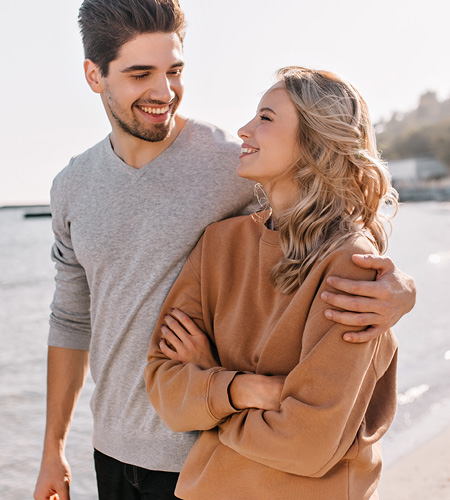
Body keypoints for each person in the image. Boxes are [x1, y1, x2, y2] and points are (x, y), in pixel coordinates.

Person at [33, 0, 415, 499]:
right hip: (113, 447)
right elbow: (71, 318)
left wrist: (400, 290)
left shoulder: (231, 164)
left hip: (214, 457)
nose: (163, 91)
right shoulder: (72, 187)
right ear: (94, 76)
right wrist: (51, 450)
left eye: (174, 70)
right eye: (140, 74)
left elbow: (331, 215)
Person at [145, 66, 402, 500]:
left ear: (316, 143)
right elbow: (165, 390)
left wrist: (212, 386)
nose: (244, 130)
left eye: (265, 118)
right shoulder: (218, 244)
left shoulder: (350, 264)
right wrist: (247, 388)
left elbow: (307, 443)